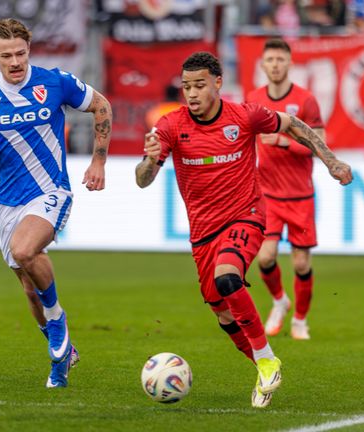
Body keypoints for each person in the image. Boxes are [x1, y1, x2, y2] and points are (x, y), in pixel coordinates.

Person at [135, 52, 351, 408]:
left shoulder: (245, 115)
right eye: (186, 86)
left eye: (199, 85)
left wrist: (331, 161)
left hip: (245, 216)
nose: (191, 93)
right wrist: (148, 159)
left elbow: (294, 125)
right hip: (203, 232)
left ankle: (268, 356)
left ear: (218, 83)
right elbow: (143, 180)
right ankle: (265, 364)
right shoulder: (171, 126)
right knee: (221, 310)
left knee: (228, 277)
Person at [0, 18, 112, 388]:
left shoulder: (55, 81)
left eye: (21, 53)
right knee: (28, 286)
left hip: (52, 190)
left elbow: (102, 106)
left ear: (29, 50)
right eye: (7, 56)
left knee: (26, 249)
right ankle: (62, 359)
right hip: (9, 201)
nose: (15, 62)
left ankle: (58, 319)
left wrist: (98, 160)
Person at [246, 38, 325, 341]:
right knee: (265, 258)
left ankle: (301, 321)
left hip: (300, 195)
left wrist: (283, 141)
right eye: (270, 60)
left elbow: (319, 145)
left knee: (301, 262)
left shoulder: (306, 100)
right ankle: (280, 301)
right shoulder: (253, 97)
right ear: (263, 65)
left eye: (281, 59)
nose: (275, 65)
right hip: (266, 195)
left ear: (290, 63)